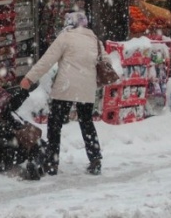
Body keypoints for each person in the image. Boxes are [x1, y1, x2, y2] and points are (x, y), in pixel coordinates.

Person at [20, 11, 109, 175]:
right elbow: (106, 61)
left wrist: (29, 78)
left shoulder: (65, 37)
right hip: (86, 88)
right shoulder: (94, 40)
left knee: (55, 124)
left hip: (65, 87)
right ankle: (95, 159)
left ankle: (52, 162)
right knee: (86, 122)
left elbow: (46, 61)